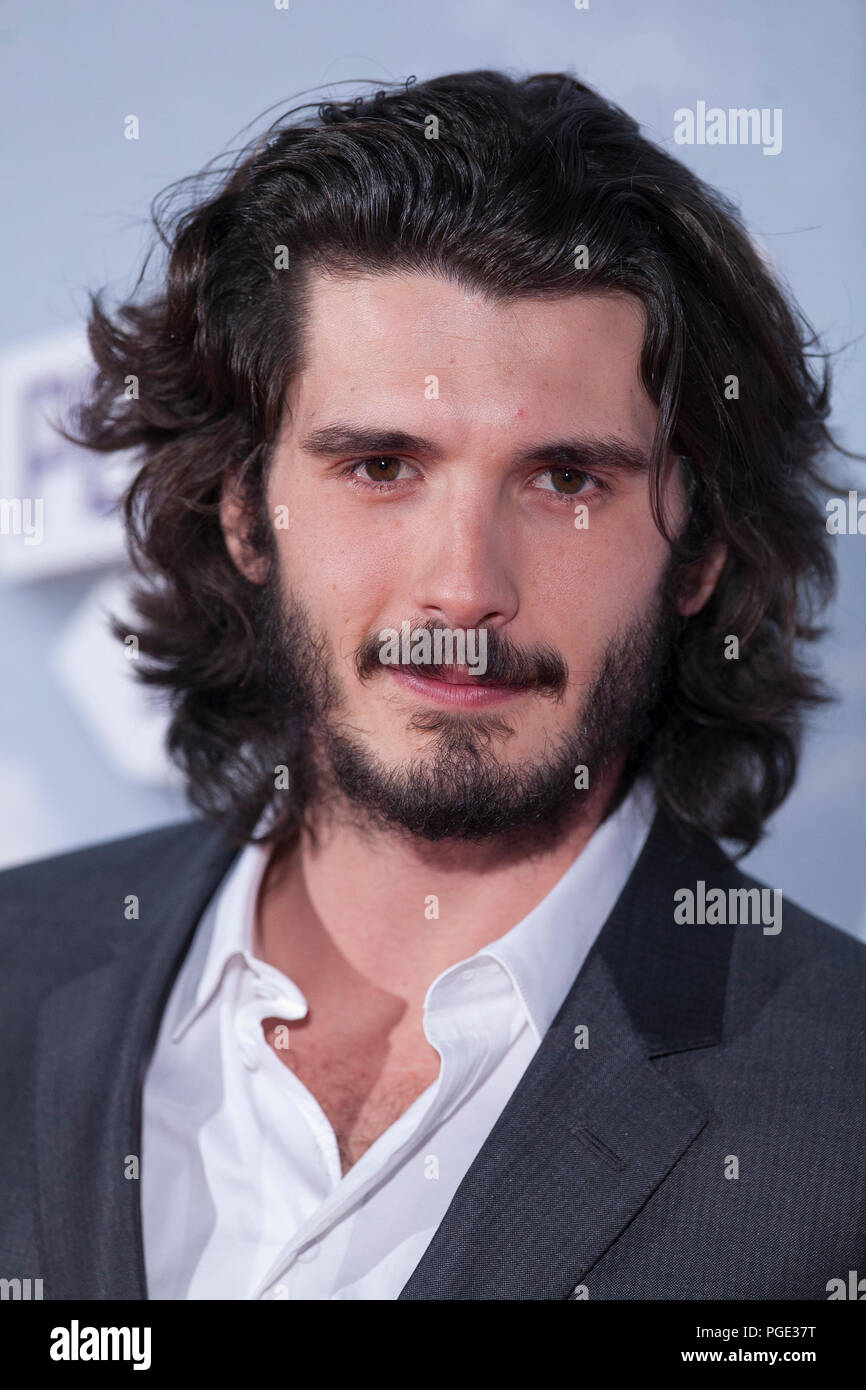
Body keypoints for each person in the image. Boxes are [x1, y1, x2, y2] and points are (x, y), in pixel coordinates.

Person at [1, 69, 863, 1301]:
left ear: (698, 551)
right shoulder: (14, 962)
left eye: (566, 479)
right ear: (246, 508)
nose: (463, 588)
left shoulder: (838, 1117)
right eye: (380, 466)